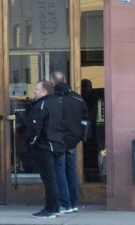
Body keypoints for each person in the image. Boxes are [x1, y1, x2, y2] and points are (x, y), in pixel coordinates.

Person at [26, 81, 65, 218]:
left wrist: (31, 143)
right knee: (53, 178)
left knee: (49, 179)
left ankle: (50, 209)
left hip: (44, 147)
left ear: (44, 92)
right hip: (57, 146)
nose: (34, 91)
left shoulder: (41, 105)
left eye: (36, 89)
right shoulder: (58, 103)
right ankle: (55, 208)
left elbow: (36, 128)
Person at [52, 71, 88, 214]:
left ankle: (64, 203)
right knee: (70, 171)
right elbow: (85, 120)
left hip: (59, 140)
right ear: (65, 80)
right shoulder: (78, 98)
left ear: (53, 83)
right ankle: (73, 203)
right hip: (73, 140)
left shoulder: (53, 99)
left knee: (59, 170)